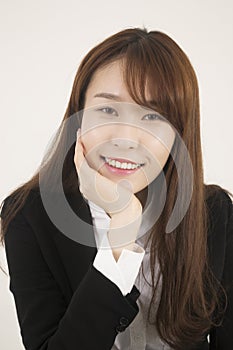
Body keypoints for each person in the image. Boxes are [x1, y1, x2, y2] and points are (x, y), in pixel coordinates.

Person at [0, 27, 232, 350]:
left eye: (153, 116)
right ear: (78, 116)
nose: (126, 138)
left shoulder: (215, 213)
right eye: (108, 110)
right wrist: (120, 234)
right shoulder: (28, 217)